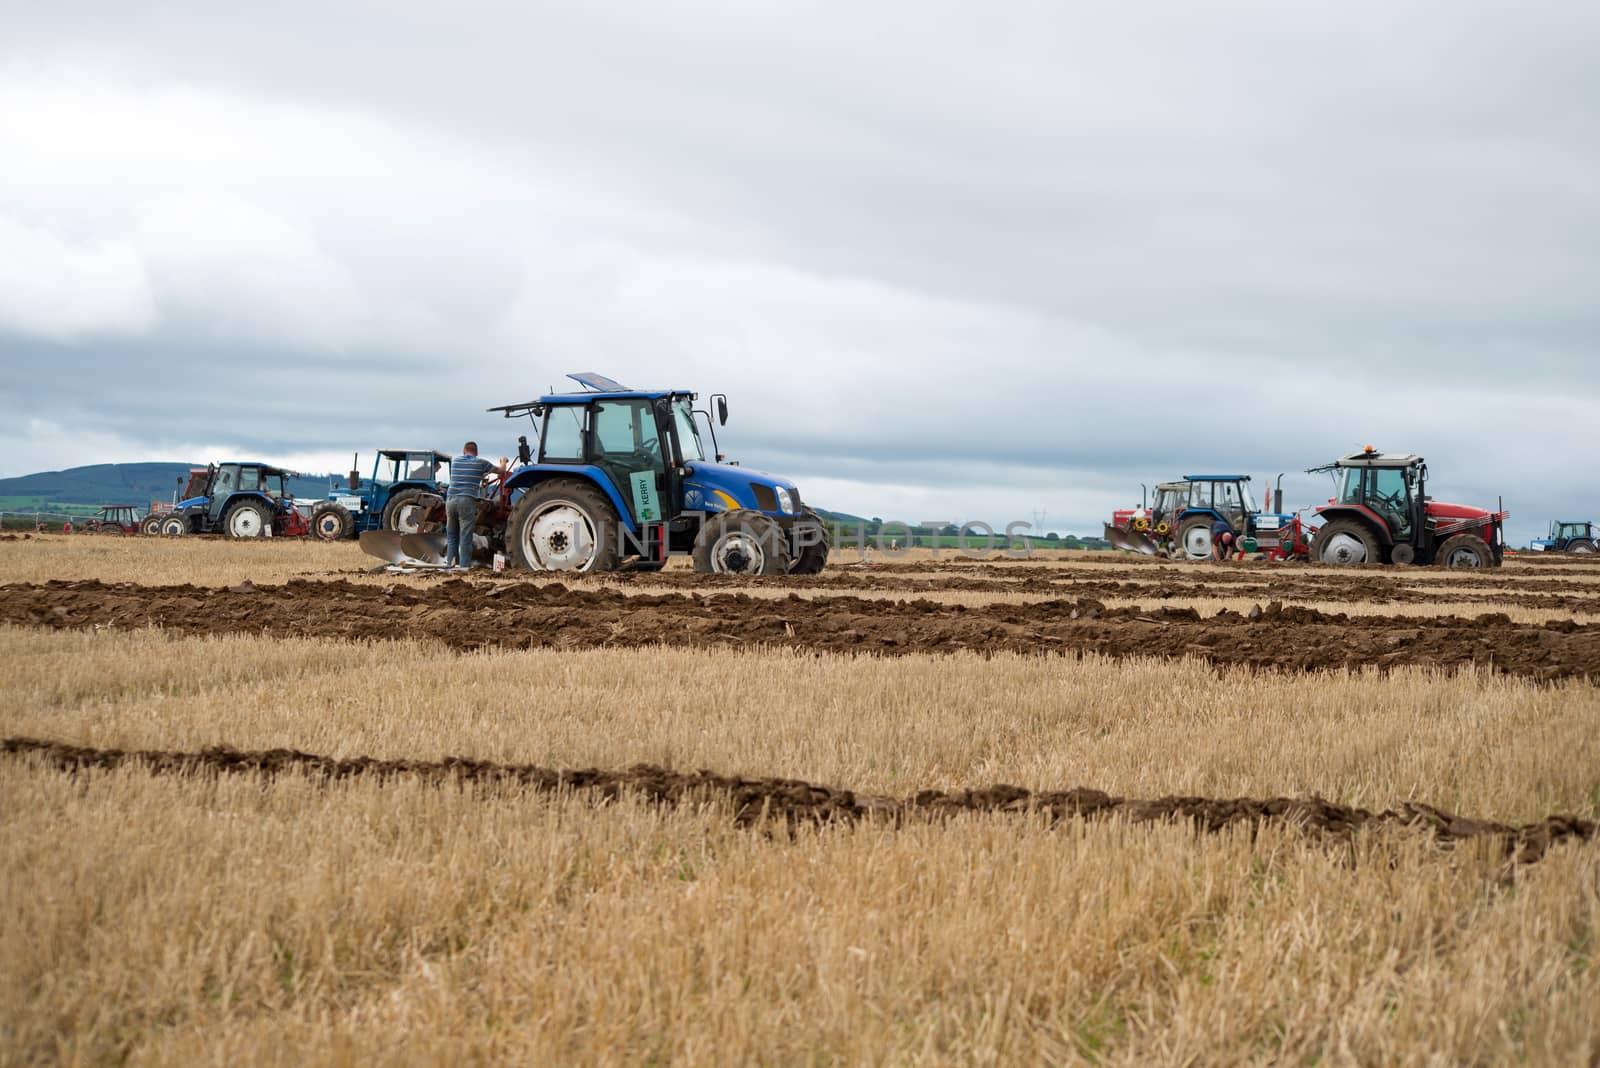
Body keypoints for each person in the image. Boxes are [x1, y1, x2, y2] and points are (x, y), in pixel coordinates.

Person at [445, 442, 506, 569]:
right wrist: (503, 461)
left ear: (463, 451)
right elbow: (502, 471)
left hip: (450, 500)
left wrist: (480, 474)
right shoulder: (481, 463)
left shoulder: (456, 461)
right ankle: (464, 568)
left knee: (451, 536)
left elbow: (467, 474)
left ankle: (450, 567)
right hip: (466, 500)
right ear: (476, 452)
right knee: (465, 536)